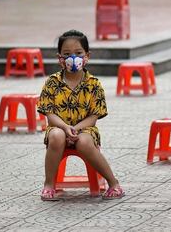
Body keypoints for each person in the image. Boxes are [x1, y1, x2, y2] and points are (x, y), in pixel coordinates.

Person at [37, 30, 123, 201]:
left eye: (78, 53)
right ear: (59, 57)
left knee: (84, 142)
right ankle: (49, 184)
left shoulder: (94, 84)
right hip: (59, 127)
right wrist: (65, 127)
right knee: (56, 136)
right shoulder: (52, 82)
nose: (73, 58)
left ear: (87, 55)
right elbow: (49, 113)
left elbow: (94, 116)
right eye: (67, 54)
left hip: (85, 129)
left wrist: (75, 129)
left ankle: (114, 183)